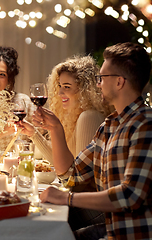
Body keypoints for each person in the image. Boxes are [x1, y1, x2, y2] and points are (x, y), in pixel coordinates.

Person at [37, 42, 152, 239]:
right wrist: (55, 129)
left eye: (101, 78)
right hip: (112, 231)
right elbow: (72, 176)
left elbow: (130, 196)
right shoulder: (109, 126)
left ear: (119, 82)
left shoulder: (144, 125)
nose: (98, 83)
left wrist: (67, 198)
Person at [20, 56, 112, 230]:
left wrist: (54, 129)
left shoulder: (89, 117)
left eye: (67, 88)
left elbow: (75, 181)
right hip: (80, 201)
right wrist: (34, 134)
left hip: (92, 211)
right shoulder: (73, 116)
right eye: (60, 87)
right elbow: (64, 167)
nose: (60, 93)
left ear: (86, 90)